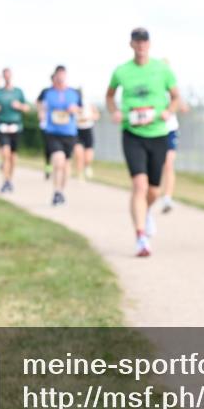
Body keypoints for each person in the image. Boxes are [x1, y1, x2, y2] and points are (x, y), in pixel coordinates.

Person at [107, 27, 180, 258]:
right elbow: (109, 95)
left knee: (153, 190)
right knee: (139, 185)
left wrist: (169, 111)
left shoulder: (162, 69)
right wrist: (115, 111)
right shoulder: (121, 71)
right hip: (132, 133)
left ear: (149, 44)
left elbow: (176, 96)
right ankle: (141, 237)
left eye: (144, 42)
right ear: (131, 45)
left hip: (158, 133)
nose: (140, 46)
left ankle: (146, 212)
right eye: (136, 42)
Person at [37, 66, 82, 206]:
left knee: (66, 165)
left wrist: (75, 109)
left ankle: (61, 191)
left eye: (63, 75)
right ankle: (56, 191)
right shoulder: (47, 92)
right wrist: (41, 113)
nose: (61, 78)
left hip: (69, 132)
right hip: (52, 132)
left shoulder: (74, 93)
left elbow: (80, 108)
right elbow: (39, 103)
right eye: (58, 75)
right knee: (58, 160)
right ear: (54, 76)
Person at [0, 67, 30, 194]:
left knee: (13, 157)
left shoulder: (18, 92)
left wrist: (20, 106)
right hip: (2, 125)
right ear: (3, 77)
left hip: (16, 126)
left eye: (8, 75)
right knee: (5, 154)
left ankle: (10, 180)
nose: (7, 77)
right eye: (5, 75)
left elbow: (27, 108)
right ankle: (5, 181)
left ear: (11, 76)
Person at [158, 93, 188, 213]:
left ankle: (167, 198)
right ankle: (151, 193)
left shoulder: (170, 89)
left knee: (169, 164)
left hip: (170, 130)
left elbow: (184, 108)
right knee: (154, 165)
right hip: (152, 131)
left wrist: (175, 105)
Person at [74, 90, 99, 180]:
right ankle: (80, 174)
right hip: (76, 130)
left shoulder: (89, 103)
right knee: (78, 154)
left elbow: (97, 115)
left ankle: (87, 166)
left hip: (87, 129)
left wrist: (89, 117)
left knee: (88, 154)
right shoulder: (72, 103)